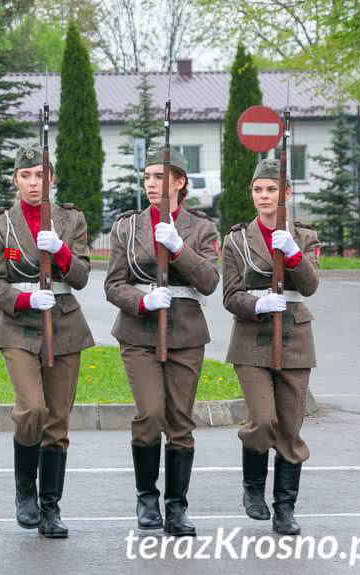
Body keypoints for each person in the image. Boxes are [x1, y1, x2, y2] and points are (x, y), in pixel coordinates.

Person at [104, 147, 220, 537]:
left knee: (180, 420)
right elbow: (113, 285)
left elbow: (209, 281)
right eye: (147, 177)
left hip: (185, 332)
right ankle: (146, 498)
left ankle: (177, 506)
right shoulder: (127, 227)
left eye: (159, 177)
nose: (151, 184)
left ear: (180, 182)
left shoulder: (201, 228)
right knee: (150, 414)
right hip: (139, 333)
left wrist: (179, 248)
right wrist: (142, 301)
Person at [0, 143, 94, 539]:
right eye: (26, 176)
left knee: (57, 420)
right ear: (15, 179)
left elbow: (81, 276)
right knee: (32, 409)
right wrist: (25, 299)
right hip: (18, 324)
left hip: (63, 322)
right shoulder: (1, 224)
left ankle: (51, 508)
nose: (34, 183)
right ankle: (25, 491)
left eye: (41, 176)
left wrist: (60, 250)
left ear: (52, 179)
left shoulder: (71, 219)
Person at [222, 158, 320, 535]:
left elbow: (310, 286)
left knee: (290, 428)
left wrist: (292, 252)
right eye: (258, 189)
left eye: (272, 189)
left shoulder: (304, 236)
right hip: (251, 339)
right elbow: (231, 295)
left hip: (294, 337)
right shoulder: (236, 240)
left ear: (286, 194)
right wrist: (257, 304)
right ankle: (252, 488)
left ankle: (285, 508)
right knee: (264, 420)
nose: (264, 196)